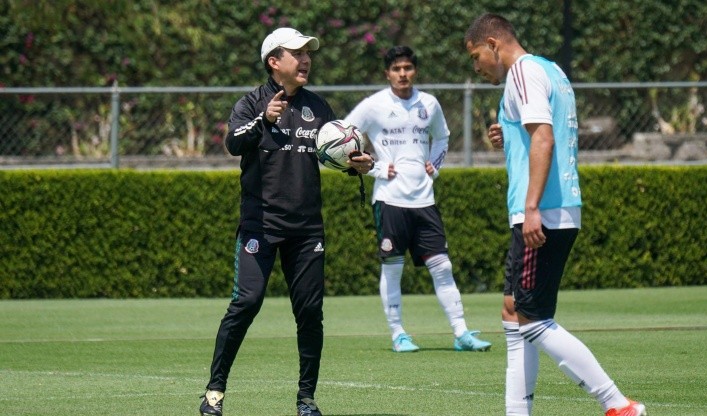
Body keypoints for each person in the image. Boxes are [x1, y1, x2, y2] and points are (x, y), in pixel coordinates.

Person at [464, 14, 646, 416]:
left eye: (476, 56)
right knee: (513, 311)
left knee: (531, 319)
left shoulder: (524, 72)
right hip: (549, 207)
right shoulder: (549, 69)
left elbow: (544, 138)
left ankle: (618, 405)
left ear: (493, 44)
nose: (476, 68)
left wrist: (531, 210)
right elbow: (539, 133)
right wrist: (506, 134)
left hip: (541, 211)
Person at [199, 27, 374, 416]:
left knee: (310, 313)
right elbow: (233, 143)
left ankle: (306, 399)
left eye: (308, 52)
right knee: (246, 302)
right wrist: (264, 118)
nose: (306, 59)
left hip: (307, 229)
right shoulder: (250, 104)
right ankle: (214, 391)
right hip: (260, 226)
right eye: (297, 53)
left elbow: (335, 151)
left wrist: (359, 163)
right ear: (274, 62)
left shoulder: (318, 107)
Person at [344, 46, 492, 353]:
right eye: (396, 69)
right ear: (387, 73)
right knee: (393, 268)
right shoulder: (374, 106)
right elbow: (342, 137)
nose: (402, 74)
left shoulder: (429, 103)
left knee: (443, 267)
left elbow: (442, 136)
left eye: (408, 68)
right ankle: (398, 334)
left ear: (415, 71)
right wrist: (375, 167)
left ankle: (461, 333)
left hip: (424, 200)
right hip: (389, 199)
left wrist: (434, 165)